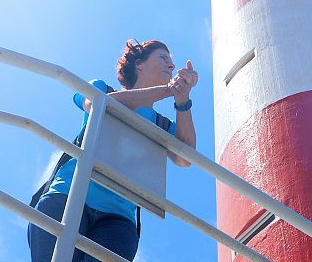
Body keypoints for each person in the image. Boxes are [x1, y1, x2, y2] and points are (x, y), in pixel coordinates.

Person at [28, 39, 198, 261]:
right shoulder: (100, 88)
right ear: (139, 64)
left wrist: (182, 99)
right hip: (66, 196)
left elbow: (185, 158)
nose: (171, 66)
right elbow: (98, 105)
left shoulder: (162, 125)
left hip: (118, 220)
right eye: (163, 58)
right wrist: (168, 90)